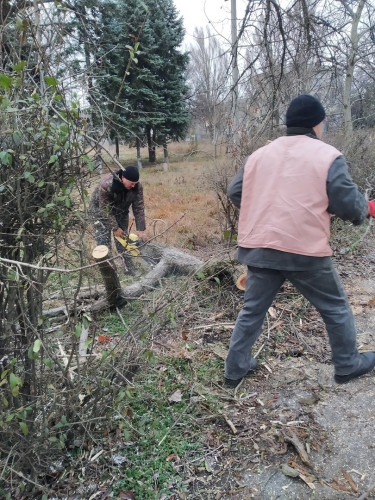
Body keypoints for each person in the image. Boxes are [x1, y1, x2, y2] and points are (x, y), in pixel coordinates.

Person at [225, 94, 375, 388]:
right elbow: (349, 205)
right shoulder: (327, 155)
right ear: (317, 124)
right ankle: (347, 364)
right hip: (303, 251)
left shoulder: (259, 154)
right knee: (335, 307)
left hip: (260, 248)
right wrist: (365, 210)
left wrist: (268, 211)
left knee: (252, 310)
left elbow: (235, 191)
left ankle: (235, 369)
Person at [90, 165, 147, 275]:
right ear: (123, 178)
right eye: (131, 183)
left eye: (135, 183)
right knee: (104, 243)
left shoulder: (137, 187)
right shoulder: (107, 185)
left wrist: (141, 229)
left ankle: (129, 269)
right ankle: (109, 273)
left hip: (121, 211)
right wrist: (115, 227)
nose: (134, 185)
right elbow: (105, 210)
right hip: (100, 213)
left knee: (124, 241)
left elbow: (138, 207)